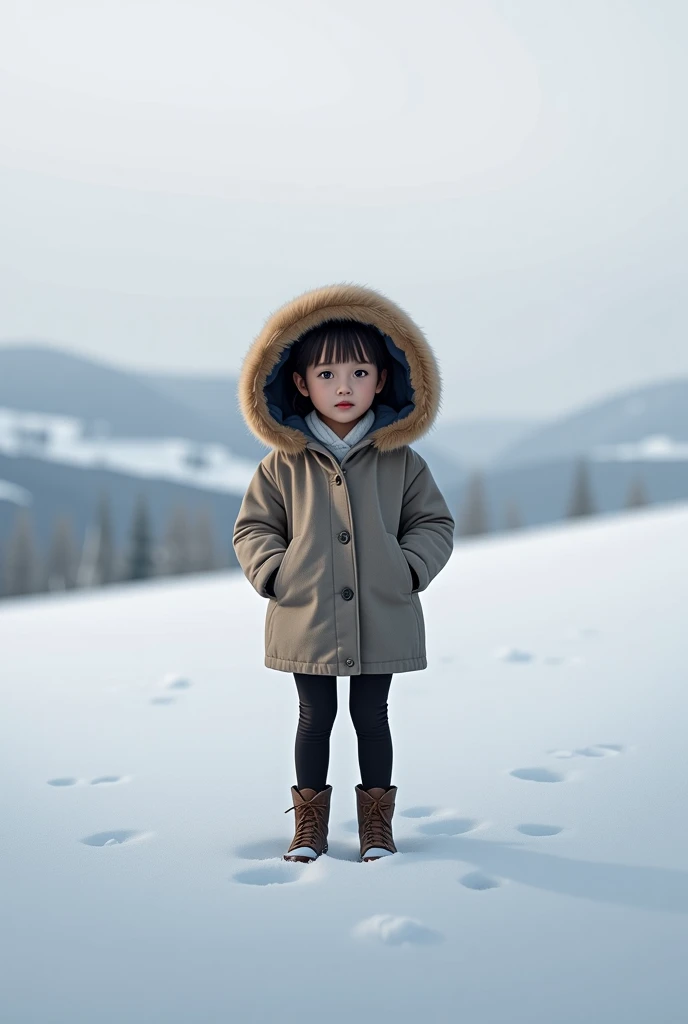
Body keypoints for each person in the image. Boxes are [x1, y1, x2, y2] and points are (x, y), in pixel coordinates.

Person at [232, 283, 455, 864]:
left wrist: (409, 568)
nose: (344, 387)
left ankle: (376, 829)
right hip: (306, 613)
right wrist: (275, 573)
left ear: (383, 379)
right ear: (300, 383)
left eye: (359, 373)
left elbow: (433, 522)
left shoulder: (400, 458)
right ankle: (309, 828)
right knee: (315, 717)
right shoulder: (283, 462)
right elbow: (253, 528)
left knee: (371, 716)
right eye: (327, 375)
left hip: (382, 608)